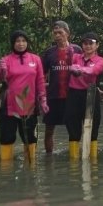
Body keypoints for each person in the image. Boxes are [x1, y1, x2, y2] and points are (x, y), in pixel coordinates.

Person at [0, 30, 48, 162]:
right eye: (18, 41)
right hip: (9, 105)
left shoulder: (35, 59)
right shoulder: (6, 60)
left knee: (29, 137)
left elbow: (40, 81)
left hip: (29, 105)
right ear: (13, 43)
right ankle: (5, 169)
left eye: (23, 41)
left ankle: (31, 166)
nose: (21, 44)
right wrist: (1, 70)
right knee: (7, 137)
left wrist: (43, 100)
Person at [41, 20, 81, 154]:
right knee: (49, 129)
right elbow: (42, 74)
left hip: (72, 96)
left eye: (60, 32)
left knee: (73, 129)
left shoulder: (77, 50)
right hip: (53, 96)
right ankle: (48, 157)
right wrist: (41, 95)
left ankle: (74, 156)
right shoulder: (49, 52)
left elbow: (85, 70)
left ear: (67, 33)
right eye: (55, 33)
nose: (57, 35)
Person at [66, 32, 103, 160]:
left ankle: (92, 159)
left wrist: (80, 70)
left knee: (93, 127)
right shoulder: (75, 57)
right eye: (85, 43)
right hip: (74, 94)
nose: (88, 46)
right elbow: (69, 65)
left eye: (91, 43)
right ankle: (73, 160)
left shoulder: (101, 60)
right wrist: (73, 68)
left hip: (91, 94)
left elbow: (94, 71)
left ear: (97, 45)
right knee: (73, 127)